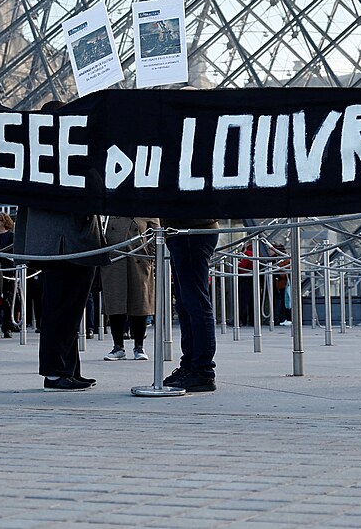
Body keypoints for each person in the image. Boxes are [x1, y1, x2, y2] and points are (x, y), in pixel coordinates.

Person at [16, 101, 106, 391]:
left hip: (50, 242)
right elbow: (95, 190)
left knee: (63, 309)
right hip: (71, 241)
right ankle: (56, 372)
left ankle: (68, 368)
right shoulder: (70, 151)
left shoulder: (32, 152)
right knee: (64, 309)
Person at [163, 215, 220, 393]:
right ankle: (191, 365)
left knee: (195, 302)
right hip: (181, 230)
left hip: (190, 229)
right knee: (186, 303)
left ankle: (202, 369)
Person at [100, 216, 156, 361]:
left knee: (140, 303)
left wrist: (150, 257)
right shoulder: (109, 210)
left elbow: (157, 232)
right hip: (114, 260)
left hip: (139, 261)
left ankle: (139, 346)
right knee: (115, 303)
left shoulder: (145, 209)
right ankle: (118, 346)